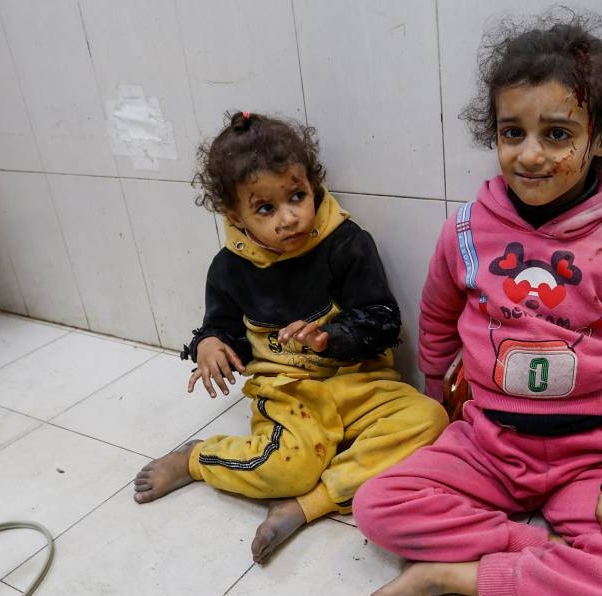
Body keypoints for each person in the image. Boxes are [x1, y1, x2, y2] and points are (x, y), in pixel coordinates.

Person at [353, 9, 602, 596]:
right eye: (512, 132)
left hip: (590, 458)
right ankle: (544, 557)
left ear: (600, 140)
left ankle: (450, 577)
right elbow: (435, 318)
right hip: (488, 444)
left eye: (558, 134)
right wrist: (440, 391)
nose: (530, 154)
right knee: (375, 508)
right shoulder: (465, 230)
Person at [133, 111, 447, 564]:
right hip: (287, 393)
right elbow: (223, 329)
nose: (289, 218)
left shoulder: (346, 243)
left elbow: (382, 318)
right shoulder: (229, 268)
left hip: (357, 384)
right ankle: (198, 460)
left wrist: (331, 336)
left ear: (312, 186)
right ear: (236, 215)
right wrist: (210, 345)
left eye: (297, 196)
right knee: (288, 468)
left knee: (429, 418)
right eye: (266, 208)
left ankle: (310, 505)